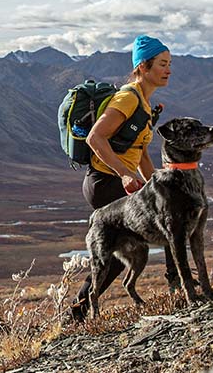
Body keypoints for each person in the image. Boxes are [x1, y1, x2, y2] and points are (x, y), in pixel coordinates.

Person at [71, 34, 171, 318]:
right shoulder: (128, 98)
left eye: (169, 64)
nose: (168, 70)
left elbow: (139, 151)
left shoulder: (144, 103)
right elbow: (95, 138)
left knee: (157, 224)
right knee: (124, 247)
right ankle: (78, 313)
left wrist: (156, 185)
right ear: (143, 66)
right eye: (162, 64)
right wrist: (126, 174)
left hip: (119, 180)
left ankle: (78, 313)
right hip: (104, 182)